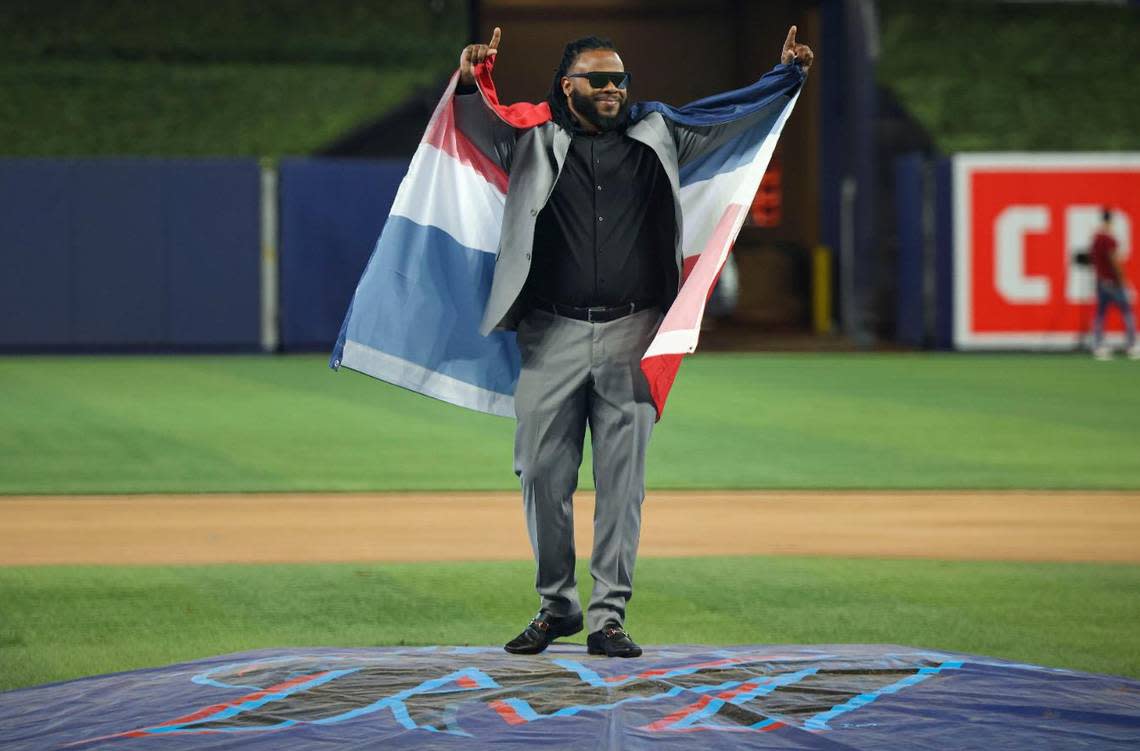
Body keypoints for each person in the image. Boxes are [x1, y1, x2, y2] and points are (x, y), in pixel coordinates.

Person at [454, 26, 813, 658]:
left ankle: (608, 616)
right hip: (551, 332)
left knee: (623, 482)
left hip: (633, 331)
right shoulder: (531, 138)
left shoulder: (660, 133)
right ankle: (557, 606)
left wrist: (783, 78)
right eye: (601, 79)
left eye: (620, 78)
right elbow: (474, 127)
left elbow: (732, 122)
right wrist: (469, 81)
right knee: (541, 474)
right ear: (570, 86)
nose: (615, 88)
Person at [1090, 208, 1138, 360]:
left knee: (1100, 314)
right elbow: (1115, 262)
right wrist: (1124, 282)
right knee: (1127, 312)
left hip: (1101, 281)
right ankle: (1131, 345)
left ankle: (1098, 345)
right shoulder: (1109, 240)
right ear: (1110, 221)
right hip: (1113, 282)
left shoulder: (1096, 238)